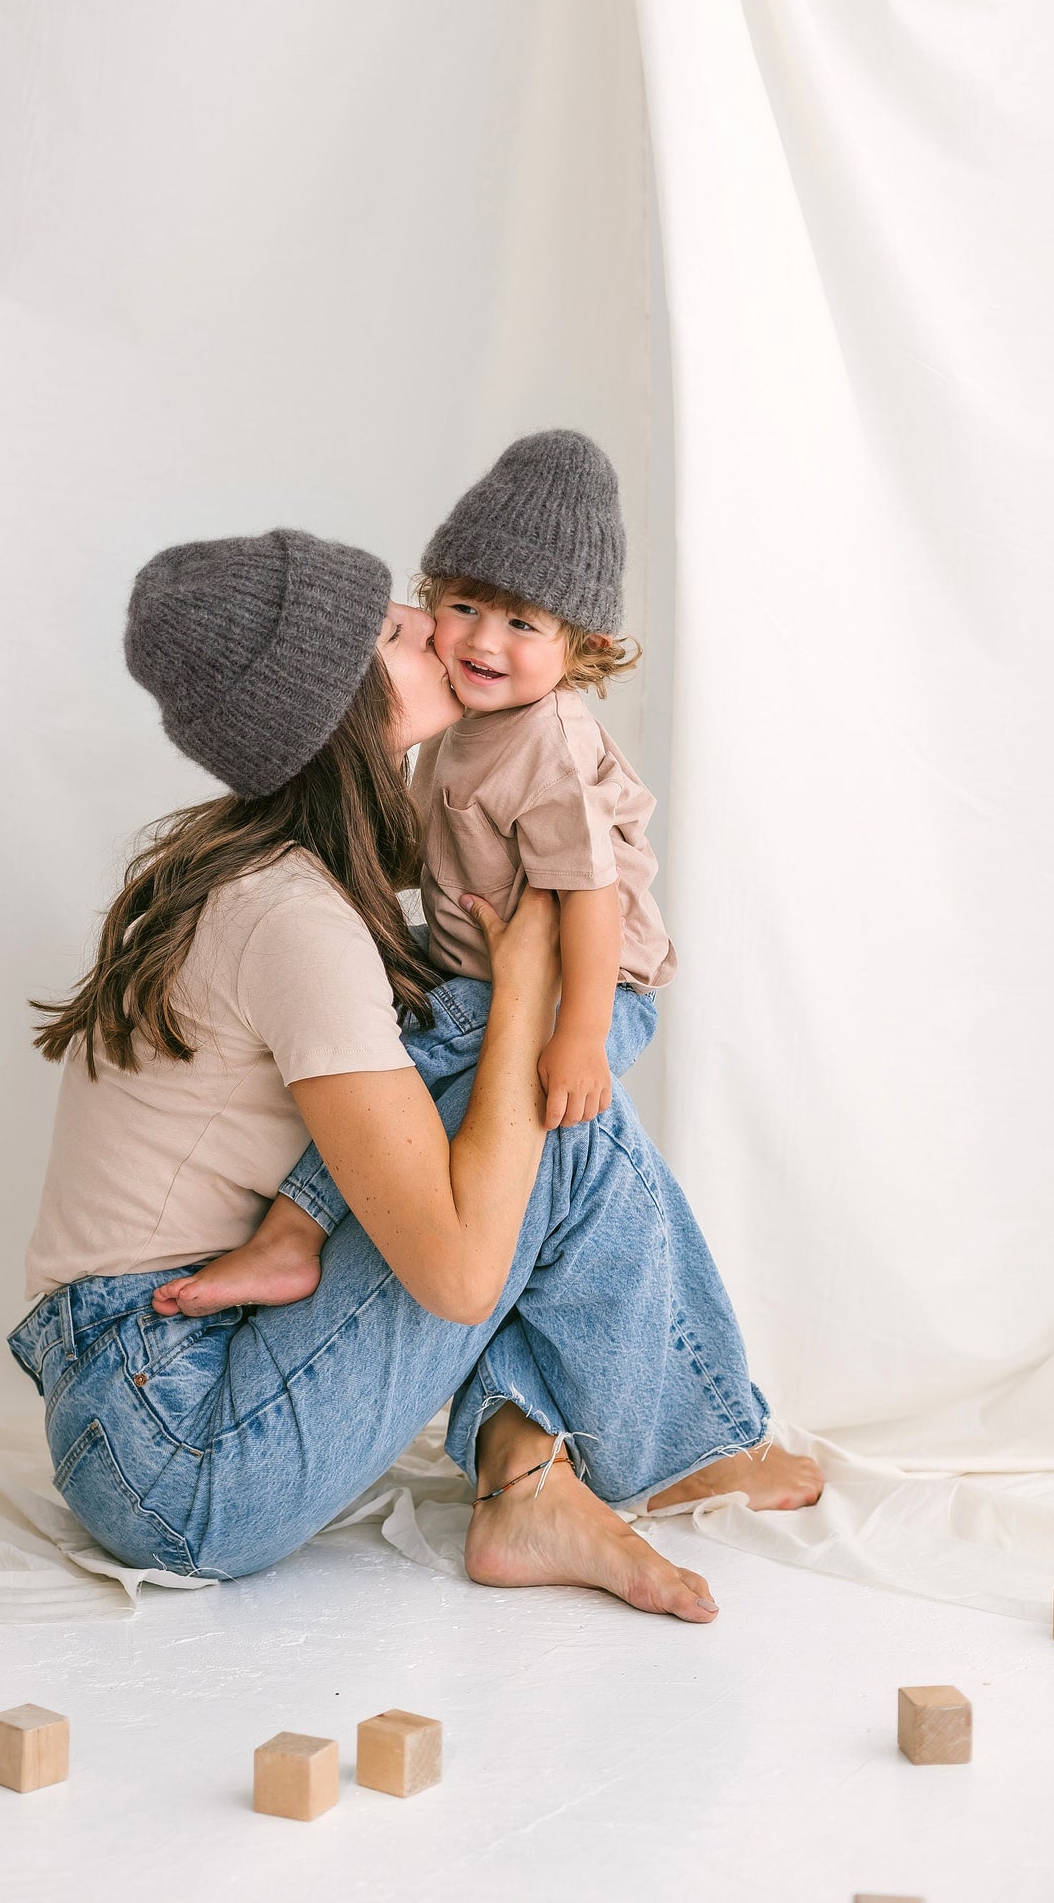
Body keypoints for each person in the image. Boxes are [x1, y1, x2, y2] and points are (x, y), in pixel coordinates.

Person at [9, 526, 821, 1619]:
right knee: (553, 1111)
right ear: (332, 705)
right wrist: (530, 987)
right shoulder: (292, 918)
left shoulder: (279, 873)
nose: (438, 634)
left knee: (520, 1109)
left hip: (146, 1394)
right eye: (397, 629)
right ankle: (675, 1442)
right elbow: (452, 1275)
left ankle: (531, 1483)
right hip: (176, 1445)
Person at [153, 429, 673, 1321]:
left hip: (582, 984)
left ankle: (294, 1230)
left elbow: (589, 897)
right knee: (383, 1027)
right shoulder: (469, 720)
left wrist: (581, 1031)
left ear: (578, 646)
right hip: (479, 955)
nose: (481, 641)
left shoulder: (546, 742)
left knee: (432, 1068)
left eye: (522, 623)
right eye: (465, 606)